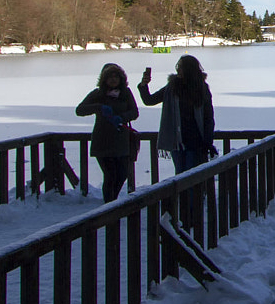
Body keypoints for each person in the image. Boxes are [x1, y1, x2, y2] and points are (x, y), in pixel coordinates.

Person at [139, 54, 216, 175]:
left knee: (192, 176)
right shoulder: (172, 86)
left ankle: (194, 194)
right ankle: (183, 195)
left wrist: (207, 141)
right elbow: (150, 100)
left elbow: (208, 116)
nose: (178, 69)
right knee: (180, 175)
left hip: (195, 141)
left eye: (181, 67)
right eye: (177, 66)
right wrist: (144, 85)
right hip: (176, 140)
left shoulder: (201, 88)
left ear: (189, 69)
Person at [76, 63, 140, 202]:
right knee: (110, 175)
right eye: (110, 76)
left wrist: (122, 117)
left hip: (121, 141)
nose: (113, 79)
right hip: (103, 141)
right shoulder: (98, 94)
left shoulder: (126, 93)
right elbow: (80, 110)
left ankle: (113, 202)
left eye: (116, 76)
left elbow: (134, 112)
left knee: (122, 174)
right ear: (104, 79)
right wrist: (99, 107)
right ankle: (109, 206)